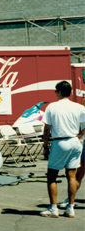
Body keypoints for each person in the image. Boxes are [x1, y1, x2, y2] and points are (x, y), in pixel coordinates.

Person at [40, 81, 85, 218]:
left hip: (60, 142)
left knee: (52, 175)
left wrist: (45, 146)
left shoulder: (52, 107)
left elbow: (47, 128)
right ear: (70, 92)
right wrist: (80, 135)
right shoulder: (78, 107)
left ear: (59, 92)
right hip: (75, 142)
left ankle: (53, 209)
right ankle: (70, 208)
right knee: (71, 175)